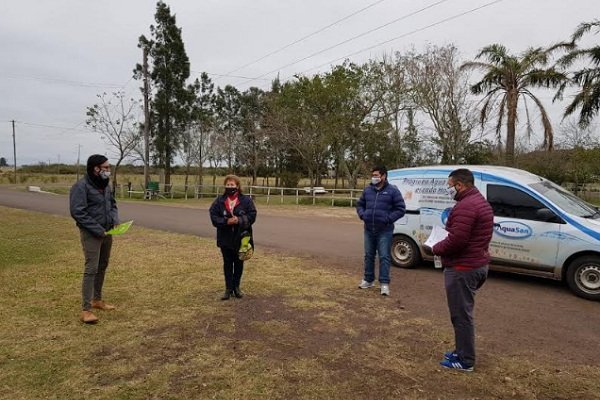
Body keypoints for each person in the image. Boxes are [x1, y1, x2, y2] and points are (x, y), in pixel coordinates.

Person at [429, 168, 494, 372]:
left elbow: (458, 240)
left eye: (450, 186)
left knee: (461, 315)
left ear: (459, 185)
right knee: (462, 312)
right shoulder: (479, 201)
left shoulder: (466, 206)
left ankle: (465, 361)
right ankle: (461, 350)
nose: (448, 190)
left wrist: (434, 247)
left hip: (463, 268)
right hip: (476, 264)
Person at [69, 155, 119, 324]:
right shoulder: (80, 187)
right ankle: (86, 309)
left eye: (108, 167)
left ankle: (97, 300)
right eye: (105, 168)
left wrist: (114, 220)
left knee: (102, 265)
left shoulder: (105, 186)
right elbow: (78, 212)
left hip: (108, 232)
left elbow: (112, 204)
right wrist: (98, 230)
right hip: (91, 234)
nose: (108, 170)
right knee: (91, 268)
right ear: (95, 169)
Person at [356, 165, 406, 296]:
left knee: (384, 256)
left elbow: (400, 209)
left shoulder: (393, 191)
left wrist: (388, 219)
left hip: (385, 230)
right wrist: (363, 215)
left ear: (384, 176)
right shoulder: (367, 190)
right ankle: (368, 280)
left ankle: (384, 283)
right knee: (368, 256)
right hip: (369, 229)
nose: (374, 178)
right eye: (372, 175)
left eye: (376, 175)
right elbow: (360, 204)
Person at [209, 175, 257, 300]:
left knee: (239, 262)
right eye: (228, 184)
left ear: (238, 186)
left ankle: (237, 287)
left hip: (241, 238)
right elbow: (214, 217)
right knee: (227, 263)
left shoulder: (246, 201)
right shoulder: (219, 201)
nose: (230, 187)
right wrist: (226, 222)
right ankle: (228, 289)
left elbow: (252, 215)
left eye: (232, 184)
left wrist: (239, 220)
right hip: (225, 238)